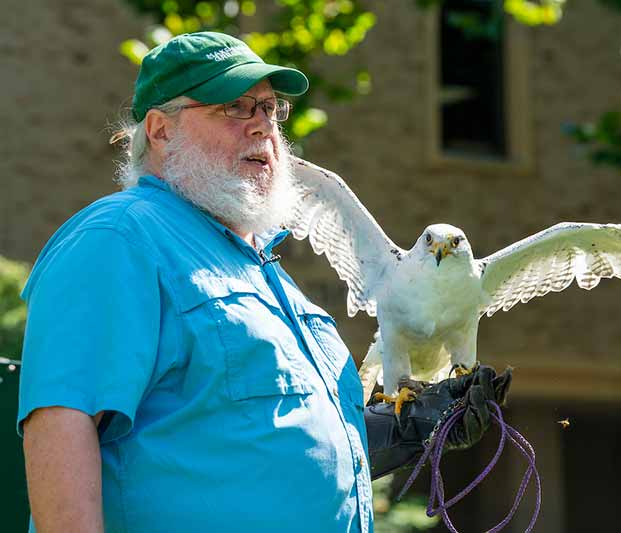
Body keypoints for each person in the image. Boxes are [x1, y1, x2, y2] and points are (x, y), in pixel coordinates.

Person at [17, 31, 511, 533]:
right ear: (161, 130)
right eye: (234, 107)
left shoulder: (266, 271)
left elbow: (269, 442)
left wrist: (407, 430)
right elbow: (60, 424)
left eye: (271, 109)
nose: (262, 127)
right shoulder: (120, 237)